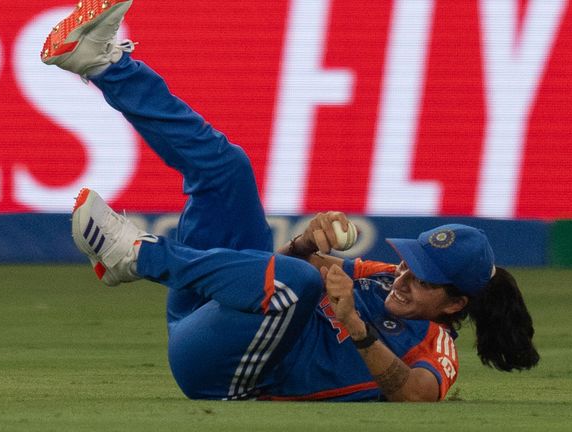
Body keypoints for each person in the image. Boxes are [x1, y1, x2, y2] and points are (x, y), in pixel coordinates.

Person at [42, 0, 539, 402]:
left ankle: (137, 256)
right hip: (215, 318)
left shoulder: (438, 346)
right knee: (227, 171)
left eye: (423, 276)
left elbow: (416, 394)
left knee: (297, 281)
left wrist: (356, 327)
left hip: (224, 375)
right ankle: (104, 63)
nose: (403, 276)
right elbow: (285, 272)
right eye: (412, 262)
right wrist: (304, 243)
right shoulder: (383, 280)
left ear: (454, 303)